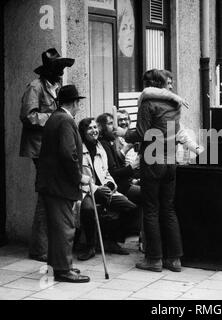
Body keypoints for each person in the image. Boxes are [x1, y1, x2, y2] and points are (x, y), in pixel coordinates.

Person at [117, 69, 184, 272]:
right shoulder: (175, 104)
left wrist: (122, 134)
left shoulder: (148, 103)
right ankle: (174, 259)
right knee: (169, 209)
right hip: (170, 160)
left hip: (153, 162)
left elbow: (141, 133)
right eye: (169, 83)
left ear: (151, 84)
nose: (171, 86)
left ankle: (154, 259)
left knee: (152, 210)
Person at [19, 48, 75, 262]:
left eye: (62, 67)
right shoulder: (35, 87)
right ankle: (40, 248)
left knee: (47, 194)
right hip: (40, 148)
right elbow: (28, 116)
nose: (61, 71)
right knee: (46, 193)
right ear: (48, 70)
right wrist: (54, 117)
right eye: (58, 67)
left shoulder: (57, 85)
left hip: (52, 147)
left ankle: (43, 246)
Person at [36, 85, 90, 283]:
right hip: (59, 184)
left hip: (53, 183)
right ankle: (63, 269)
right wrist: (79, 177)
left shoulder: (56, 118)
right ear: (75, 102)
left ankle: (58, 265)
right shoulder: (65, 120)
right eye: (78, 103)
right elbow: (69, 154)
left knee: (58, 227)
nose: (78, 107)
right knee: (65, 228)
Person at [77, 118, 138, 261]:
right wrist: (96, 189)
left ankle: (111, 240)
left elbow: (107, 173)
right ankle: (90, 246)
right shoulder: (79, 150)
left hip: (104, 189)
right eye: (89, 128)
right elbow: (76, 175)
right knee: (88, 210)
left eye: (95, 127)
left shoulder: (100, 148)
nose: (94, 131)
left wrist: (110, 185)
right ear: (83, 132)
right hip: (86, 191)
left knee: (131, 208)